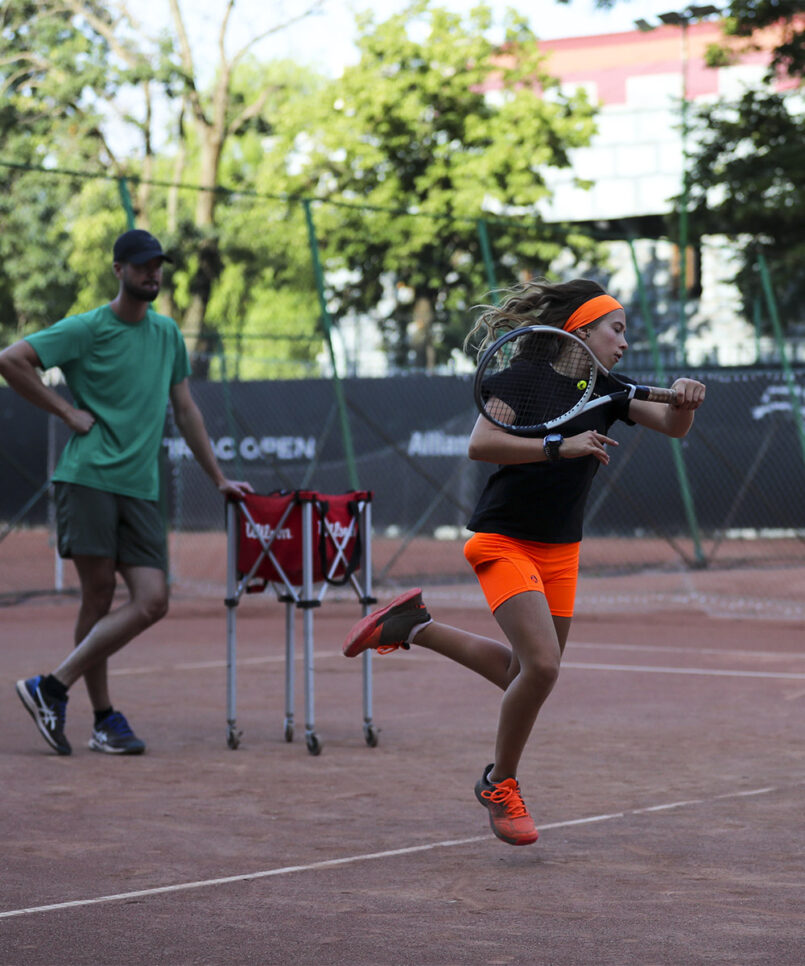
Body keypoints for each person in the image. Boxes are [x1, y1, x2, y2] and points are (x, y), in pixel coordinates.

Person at [342, 278, 706, 846]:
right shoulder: (520, 379)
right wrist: (561, 446)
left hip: (561, 549)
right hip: (502, 538)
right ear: (580, 329)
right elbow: (481, 442)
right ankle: (499, 783)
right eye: (617, 329)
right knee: (542, 669)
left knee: (526, 672)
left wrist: (684, 401)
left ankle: (414, 626)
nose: (625, 342)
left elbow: (673, 428)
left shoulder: (610, 386)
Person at [0, 229, 253, 756]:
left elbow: (186, 410)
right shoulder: (87, 328)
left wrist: (219, 478)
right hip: (88, 478)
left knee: (152, 599)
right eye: (141, 265)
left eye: (157, 265)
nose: (151, 273)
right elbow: (11, 359)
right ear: (118, 270)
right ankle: (102, 719)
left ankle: (52, 686)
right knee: (98, 595)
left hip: (140, 488)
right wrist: (67, 412)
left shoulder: (166, 335)